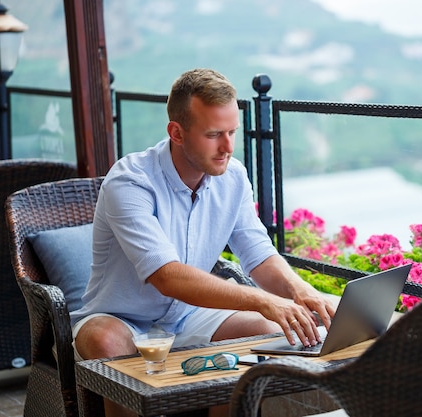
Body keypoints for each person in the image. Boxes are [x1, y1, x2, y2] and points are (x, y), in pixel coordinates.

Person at [70, 68, 335, 417]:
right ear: (176, 133)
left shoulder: (234, 177)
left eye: (231, 133)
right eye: (213, 135)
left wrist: (301, 291)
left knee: (266, 330)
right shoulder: (130, 182)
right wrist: (263, 299)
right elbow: (167, 276)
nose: (227, 147)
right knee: (104, 340)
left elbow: (258, 254)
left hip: (190, 316)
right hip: (120, 318)